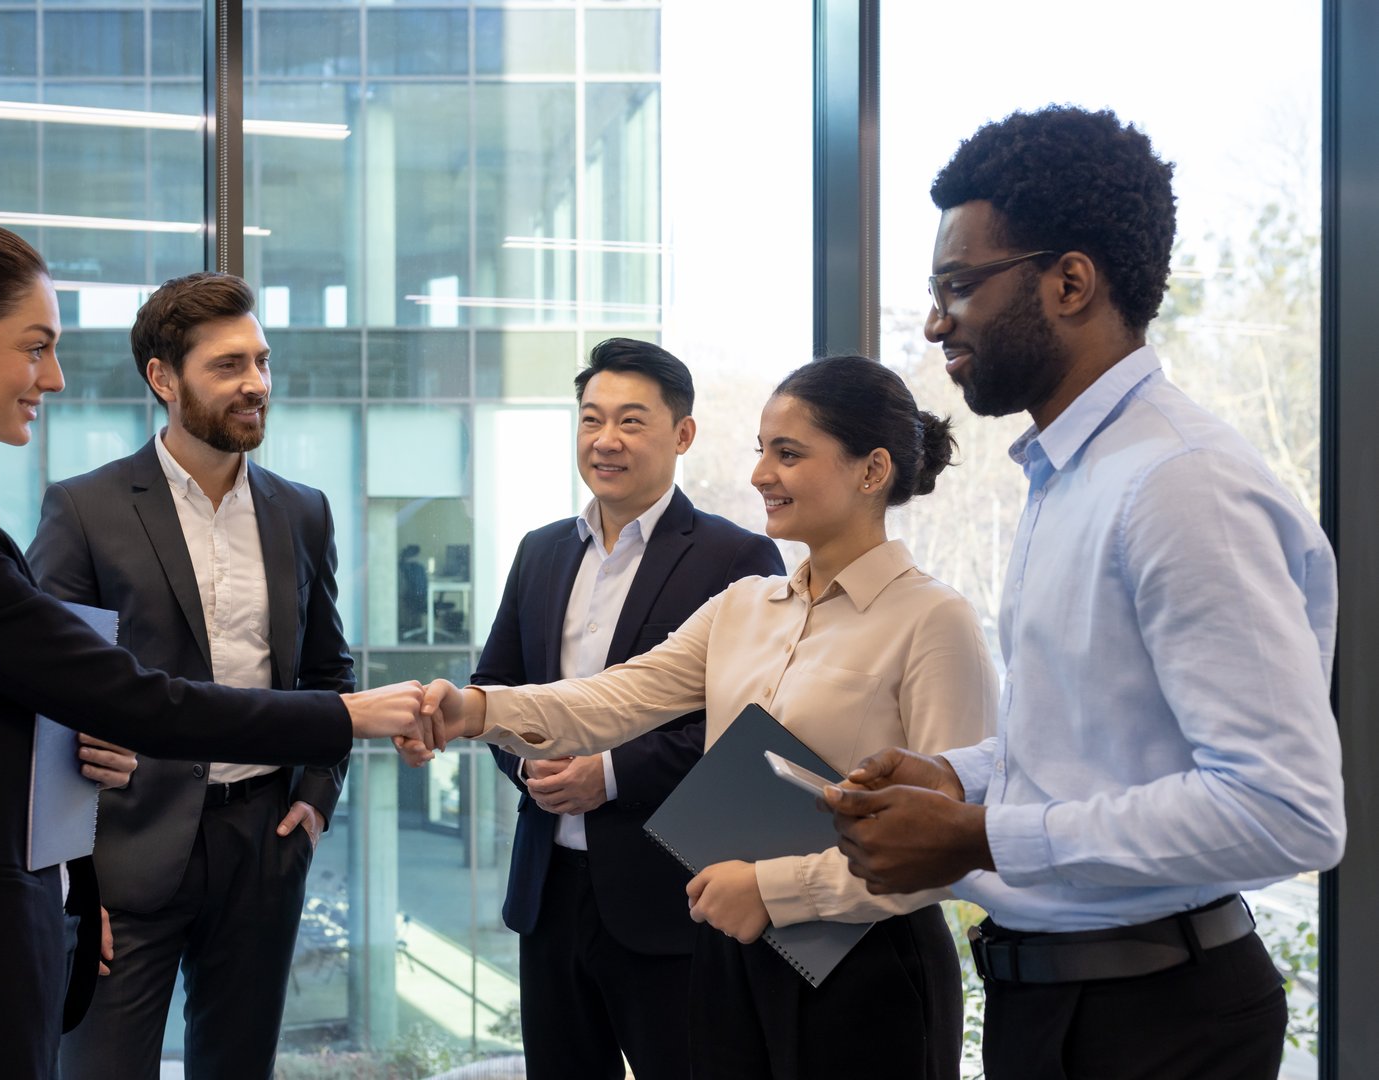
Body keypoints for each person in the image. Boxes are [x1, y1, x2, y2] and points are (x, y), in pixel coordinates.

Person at [0, 218, 430, 1080]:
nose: (53, 378)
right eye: (35, 348)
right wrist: (346, 718)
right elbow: (128, 697)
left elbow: (36, 704)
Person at [824, 106, 1345, 1080]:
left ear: (1068, 282)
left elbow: (1284, 809)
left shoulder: (1177, 484)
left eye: (956, 286)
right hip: (1063, 1007)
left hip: (1153, 1021)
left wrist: (979, 835)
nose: (935, 323)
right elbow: (1090, 741)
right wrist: (958, 780)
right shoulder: (1072, 474)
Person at [425, 355, 998, 1080]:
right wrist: (474, 709)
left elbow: (946, 847)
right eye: (761, 450)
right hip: (732, 948)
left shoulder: (933, 619)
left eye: (787, 454)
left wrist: (772, 890)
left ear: (871, 470)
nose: (760, 474)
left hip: (866, 964)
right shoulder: (743, 606)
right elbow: (610, 700)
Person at [27, 272, 350, 1079]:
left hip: (264, 844)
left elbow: (327, 669)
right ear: (163, 378)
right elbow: (41, 692)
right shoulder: (85, 509)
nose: (256, 384)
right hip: (122, 851)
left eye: (261, 361)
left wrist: (315, 796)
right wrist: (71, 881)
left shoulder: (302, 511)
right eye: (228, 366)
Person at [476, 338, 783, 1080]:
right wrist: (528, 762)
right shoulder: (540, 551)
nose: (605, 440)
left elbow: (750, 731)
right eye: (591, 419)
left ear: (683, 434)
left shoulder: (736, 560)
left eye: (630, 421)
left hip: (671, 896)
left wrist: (609, 774)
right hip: (548, 890)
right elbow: (496, 684)